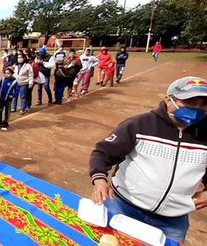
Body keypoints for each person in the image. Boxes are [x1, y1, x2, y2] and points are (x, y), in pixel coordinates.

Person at [89, 76, 207, 242]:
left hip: (172, 221)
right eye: (190, 102)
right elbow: (103, 152)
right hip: (123, 207)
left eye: (203, 104)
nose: (198, 109)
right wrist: (99, 180)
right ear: (168, 100)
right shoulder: (140, 125)